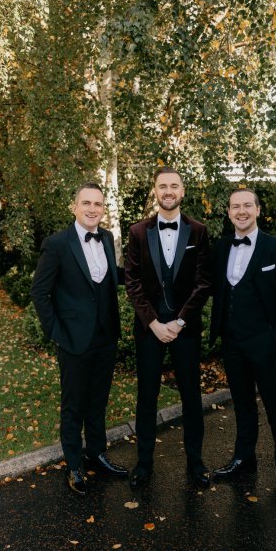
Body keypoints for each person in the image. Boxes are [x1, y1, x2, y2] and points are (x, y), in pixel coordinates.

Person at [30, 182, 128, 496]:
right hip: (72, 339)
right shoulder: (57, 243)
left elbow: (110, 277)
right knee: (73, 405)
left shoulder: (108, 237)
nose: (92, 209)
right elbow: (39, 292)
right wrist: (56, 332)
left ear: (103, 209)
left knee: (98, 401)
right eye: (86, 203)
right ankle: (74, 464)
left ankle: (96, 453)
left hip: (106, 336)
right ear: (75, 207)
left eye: (97, 204)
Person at [210, 187, 276, 501]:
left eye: (248, 205)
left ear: (258, 210)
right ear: (229, 212)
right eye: (236, 206)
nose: (241, 211)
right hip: (232, 342)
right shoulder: (222, 247)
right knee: (243, 405)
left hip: (265, 343)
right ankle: (244, 460)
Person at [125, 166, 211, 489]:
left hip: (185, 330)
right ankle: (144, 464)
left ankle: (196, 463)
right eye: (163, 186)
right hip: (149, 331)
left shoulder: (199, 232)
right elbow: (132, 283)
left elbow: (203, 284)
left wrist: (178, 322)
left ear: (183, 191)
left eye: (174, 185)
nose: (168, 191)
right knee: (146, 397)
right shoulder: (137, 232)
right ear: (155, 191)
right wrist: (153, 323)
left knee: (191, 396)